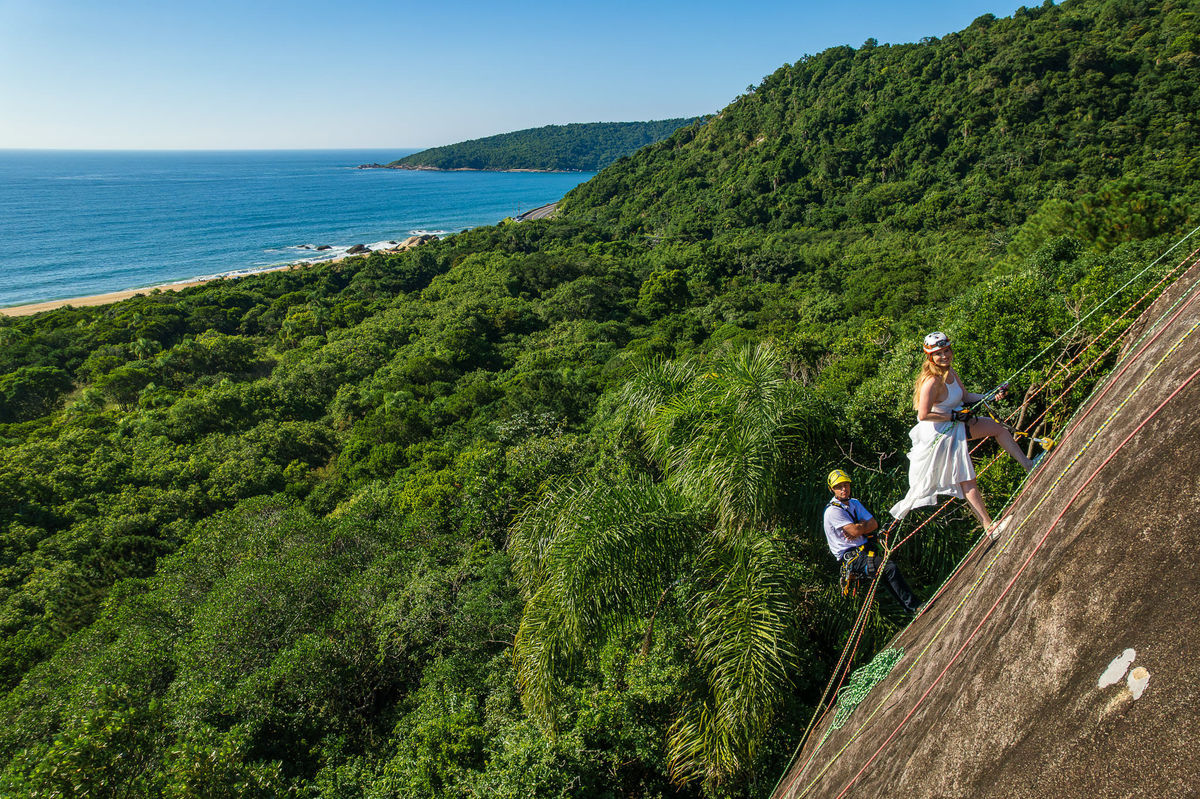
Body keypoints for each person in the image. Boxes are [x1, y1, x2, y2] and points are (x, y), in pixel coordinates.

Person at [889, 331, 1034, 538]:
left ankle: (1028, 466)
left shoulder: (951, 372)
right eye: (939, 353)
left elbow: (965, 397)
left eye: (946, 350)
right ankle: (989, 527)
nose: (945, 356)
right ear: (930, 357)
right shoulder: (932, 381)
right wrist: (954, 416)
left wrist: (991, 396)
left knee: (998, 429)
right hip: (939, 435)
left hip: (957, 421)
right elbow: (923, 415)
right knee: (966, 478)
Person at [824, 469, 923, 615]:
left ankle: (911, 608)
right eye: (839, 486)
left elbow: (873, 524)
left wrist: (858, 528)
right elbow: (856, 531)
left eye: (846, 485)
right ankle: (914, 606)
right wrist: (861, 527)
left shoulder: (854, 503)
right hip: (852, 557)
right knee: (889, 569)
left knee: (886, 573)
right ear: (832, 489)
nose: (844, 489)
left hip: (865, 549)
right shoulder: (833, 511)